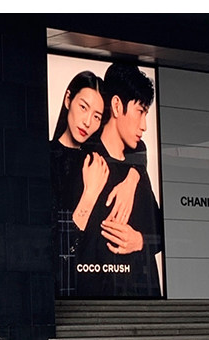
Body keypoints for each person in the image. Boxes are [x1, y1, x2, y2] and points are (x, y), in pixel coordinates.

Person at [73, 62, 163, 297]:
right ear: (115, 105)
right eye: (140, 112)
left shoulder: (136, 168)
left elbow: (161, 234)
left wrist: (139, 241)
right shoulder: (88, 162)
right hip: (100, 300)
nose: (144, 126)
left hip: (147, 299)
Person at [50, 70, 140, 296]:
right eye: (83, 107)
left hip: (100, 289)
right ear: (68, 99)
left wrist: (133, 176)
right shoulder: (48, 157)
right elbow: (55, 248)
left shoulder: (98, 162)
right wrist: (89, 196)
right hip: (62, 291)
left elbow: (137, 146)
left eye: (97, 116)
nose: (87, 122)